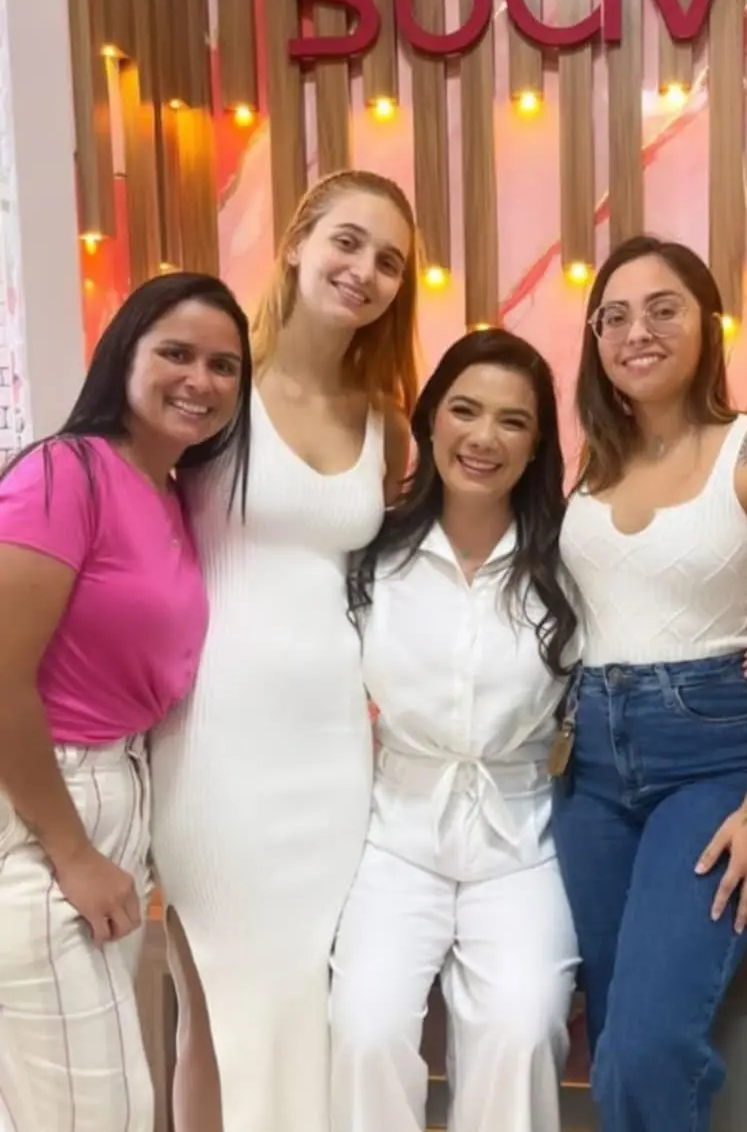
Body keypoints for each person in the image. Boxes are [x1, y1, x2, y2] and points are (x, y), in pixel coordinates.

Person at [149, 171, 418, 1132]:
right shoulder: (219, 390)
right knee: (219, 1012)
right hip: (211, 738)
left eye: (389, 261)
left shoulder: (387, 421)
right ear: (298, 240)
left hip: (332, 749)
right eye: (348, 242)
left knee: (307, 1004)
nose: (364, 271)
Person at [552, 235, 747, 1132]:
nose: (637, 331)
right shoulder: (590, 469)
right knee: (611, 1040)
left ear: (708, 324)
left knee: (647, 1048)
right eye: (614, 317)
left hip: (712, 761)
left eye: (663, 308)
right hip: (589, 772)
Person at [0, 272, 250, 1132]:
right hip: (42, 807)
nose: (200, 380)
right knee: (97, 1111)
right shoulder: (65, 475)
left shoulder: (168, 491)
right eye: (176, 353)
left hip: (114, 797)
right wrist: (71, 850)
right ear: (124, 356)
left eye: (224, 365)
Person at [330, 328, 580, 1132]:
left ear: (537, 444)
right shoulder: (369, 554)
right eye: (464, 410)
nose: (484, 438)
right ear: (430, 419)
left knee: (521, 1028)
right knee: (364, 1030)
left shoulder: (571, 560)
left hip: (522, 836)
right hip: (395, 833)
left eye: (513, 421)